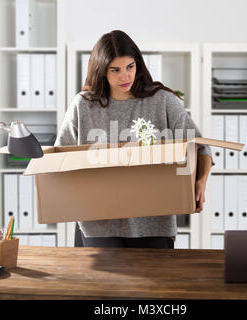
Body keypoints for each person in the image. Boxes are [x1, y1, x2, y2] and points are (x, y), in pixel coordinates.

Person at [55, 30, 214, 249]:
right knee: (107, 284)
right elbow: (59, 159)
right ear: (101, 71)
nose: (125, 77)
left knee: (155, 284)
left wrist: (200, 182)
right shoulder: (83, 106)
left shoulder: (163, 101)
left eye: (130, 67)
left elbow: (201, 147)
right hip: (99, 224)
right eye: (115, 70)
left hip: (154, 223)